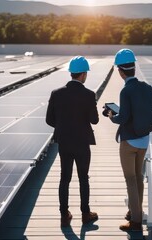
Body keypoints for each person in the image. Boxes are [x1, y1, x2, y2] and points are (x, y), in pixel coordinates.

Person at [106, 49, 152, 232]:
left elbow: (122, 119)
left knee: (130, 179)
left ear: (120, 71)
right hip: (145, 140)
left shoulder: (126, 90)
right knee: (139, 178)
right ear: (134, 67)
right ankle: (135, 211)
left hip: (129, 142)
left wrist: (112, 115)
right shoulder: (145, 86)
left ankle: (135, 221)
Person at [46, 56, 99, 227]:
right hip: (82, 143)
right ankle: (85, 214)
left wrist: (62, 126)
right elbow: (94, 120)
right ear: (83, 74)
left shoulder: (56, 93)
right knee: (83, 178)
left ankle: (64, 216)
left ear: (71, 73)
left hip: (64, 142)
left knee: (64, 178)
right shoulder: (89, 95)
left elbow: (49, 120)